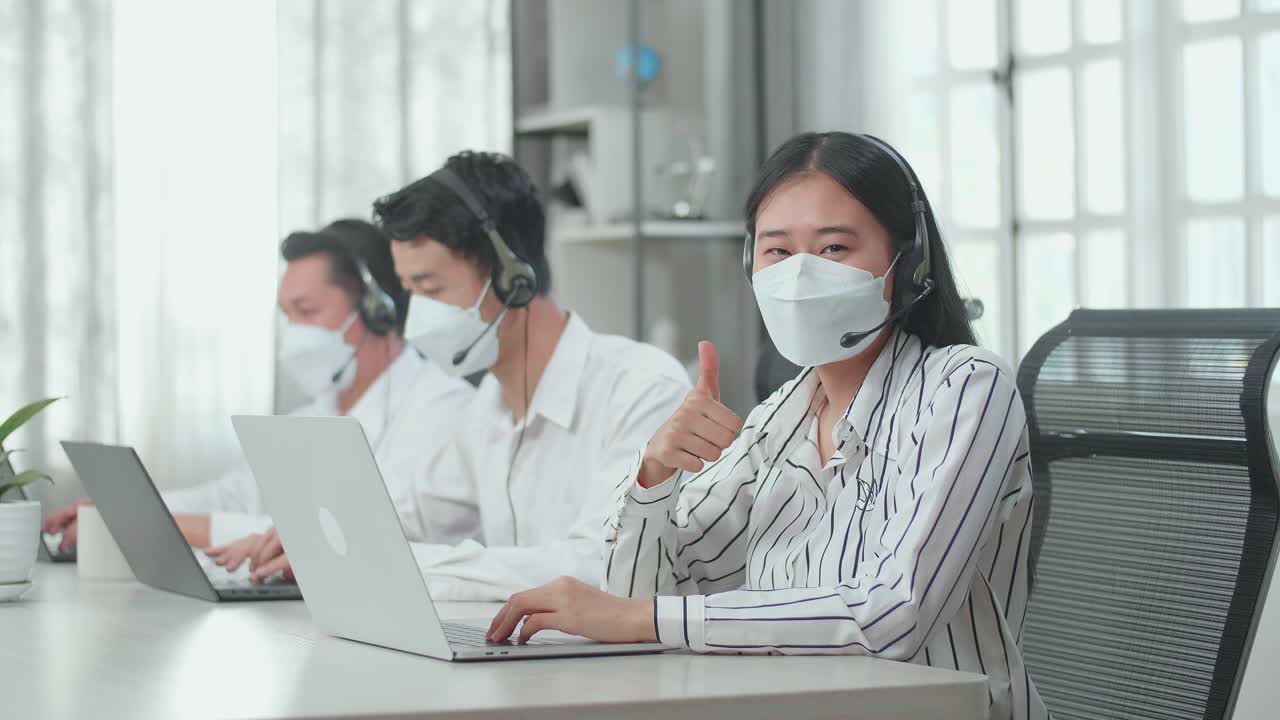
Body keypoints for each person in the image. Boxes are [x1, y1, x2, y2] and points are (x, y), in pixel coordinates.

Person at [487, 132, 1048, 720]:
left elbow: (892, 615)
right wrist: (655, 477)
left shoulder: (964, 387)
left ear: (906, 264)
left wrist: (642, 617)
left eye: (834, 248)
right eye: (778, 252)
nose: (801, 275)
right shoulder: (783, 414)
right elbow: (647, 591)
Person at [248, 151, 692, 599]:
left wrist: (399, 564)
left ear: (512, 275)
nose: (418, 314)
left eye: (432, 287)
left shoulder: (640, 388)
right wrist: (323, 536)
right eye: (410, 291)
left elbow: (600, 564)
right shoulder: (486, 410)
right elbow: (418, 513)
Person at [43, 220, 475, 572]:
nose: (296, 332)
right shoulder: (316, 412)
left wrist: (143, 522)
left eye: (307, 312)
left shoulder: (441, 407)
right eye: (288, 316)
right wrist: (119, 507)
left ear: (377, 310)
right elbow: (233, 496)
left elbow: (340, 534)